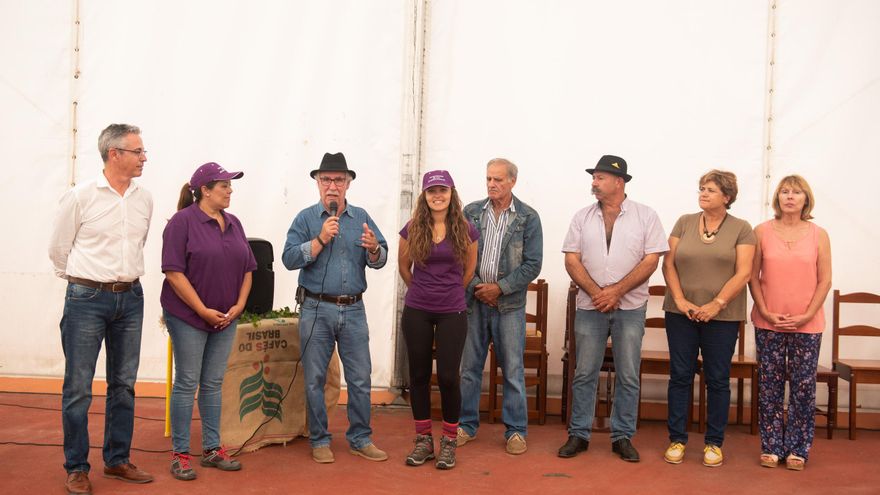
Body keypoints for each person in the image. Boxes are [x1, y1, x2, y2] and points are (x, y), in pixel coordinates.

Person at [48, 124, 154, 494]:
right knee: (78, 387)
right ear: (114, 154)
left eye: (143, 152)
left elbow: (139, 241)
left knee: (123, 384)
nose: (144, 158)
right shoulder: (81, 196)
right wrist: (82, 282)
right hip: (86, 300)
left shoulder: (144, 198)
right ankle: (77, 467)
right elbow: (59, 248)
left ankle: (117, 460)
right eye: (137, 151)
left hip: (131, 298)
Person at [557, 155, 668, 463]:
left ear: (618, 182)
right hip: (590, 307)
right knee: (584, 372)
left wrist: (616, 292)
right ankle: (579, 434)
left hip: (630, 307)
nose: (594, 182)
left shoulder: (646, 215)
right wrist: (597, 294)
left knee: (629, 374)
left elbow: (651, 260)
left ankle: (622, 437)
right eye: (594, 177)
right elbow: (571, 259)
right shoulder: (581, 217)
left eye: (600, 177)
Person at [281, 152, 388, 464]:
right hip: (316, 308)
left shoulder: (362, 217)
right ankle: (320, 439)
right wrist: (320, 240)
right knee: (315, 378)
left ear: (348, 183)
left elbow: (381, 259)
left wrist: (374, 249)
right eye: (326, 179)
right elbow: (288, 259)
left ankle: (360, 438)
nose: (332, 185)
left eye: (338, 180)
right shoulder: (305, 219)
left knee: (360, 377)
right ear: (317, 182)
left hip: (354, 310)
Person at [161, 162, 256, 480]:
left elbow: (248, 269)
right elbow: (174, 273)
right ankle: (180, 454)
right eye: (225, 185)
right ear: (205, 190)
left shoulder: (235, 223)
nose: (231, 190)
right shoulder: (181, 222)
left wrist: (240, 305)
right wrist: (201, 309)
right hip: (188, 316)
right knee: (188, 383)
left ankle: (213, 449)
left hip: (226, 317)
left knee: (213, 383)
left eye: (231, 185)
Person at [662, 169, 755, 467]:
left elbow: (744, 272)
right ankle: (677, 439)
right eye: (702, 188)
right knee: (680, 376)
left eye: (711, 190)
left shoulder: (742, 228)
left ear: (727, 197)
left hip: (723, 317)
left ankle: (714, 443)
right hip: (681, 313)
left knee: (717, 379)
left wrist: (717, 303)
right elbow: (669, 264)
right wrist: (680, 300)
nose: (703, 193)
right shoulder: (684, 222)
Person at [458, 158, 543, 455]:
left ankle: (516, 431)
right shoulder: (470, 212)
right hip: (474, 301)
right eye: (488, 179)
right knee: (469, 368)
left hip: (510, 306)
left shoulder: (528, 217)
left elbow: (533, 264)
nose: (492, 184)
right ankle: (466, 425)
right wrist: (479, 287)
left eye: (498, 179)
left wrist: (500, 289)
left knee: (512, 370)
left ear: (512, 182)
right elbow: (459, 255)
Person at [749, 175, 831, 471]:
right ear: (777, 198)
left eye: (796, 192)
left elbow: (825, 280)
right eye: (784, 191)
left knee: (803, 388)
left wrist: (808, 314)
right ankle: (771, 446)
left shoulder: (819, 234)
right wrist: (765, 310)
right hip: (768, 321)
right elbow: (753, 277)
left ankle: (798, 448)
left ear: (806, 199)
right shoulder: (761, 232)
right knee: (769, 386)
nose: (790, 196)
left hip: (807, 325)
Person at [399, 170, 478, 470]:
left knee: (447, 377)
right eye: (432, 191)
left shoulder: (466, 229)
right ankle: (423, 442)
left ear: (451, 193)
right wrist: (422, 290)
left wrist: (449, 292)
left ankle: (448, 442)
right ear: (424, 195)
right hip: (418, 309)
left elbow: (469, 271)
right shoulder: (412, 228)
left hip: (452, 310)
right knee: (418, 376)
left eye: (442, 190)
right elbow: (404, 267)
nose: (437, 195)